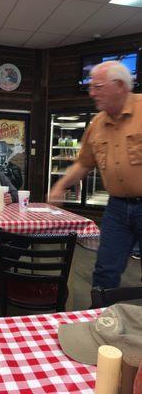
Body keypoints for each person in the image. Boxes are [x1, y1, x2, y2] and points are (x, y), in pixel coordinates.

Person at [49, 60, 142, 289]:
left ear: (119, 85)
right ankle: (101, 319)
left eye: (97, 87)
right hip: (117, 207)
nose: (91, 93)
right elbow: (83, 164)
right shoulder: (97, 123)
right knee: (105, 269)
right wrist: (60, 186)